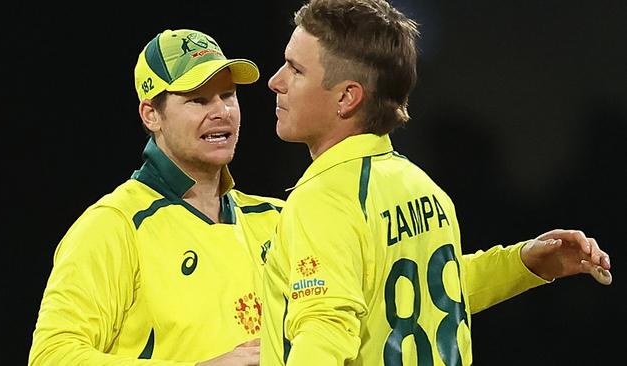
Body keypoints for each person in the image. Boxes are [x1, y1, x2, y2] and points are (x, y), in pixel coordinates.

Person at [259, 0, 612, 365]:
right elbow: (436, 294)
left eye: (295, 70)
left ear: (347, 97)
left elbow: (324, 333)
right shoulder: (424, 189)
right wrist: (523, 264)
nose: (276, 82)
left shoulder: (324, 199)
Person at [28, 28, 284, 365]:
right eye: (198, 100)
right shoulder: (114, 225)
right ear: (151, 115)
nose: (222, 112)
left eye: (228, 95)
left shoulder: (277, 218)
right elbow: (52, 357)